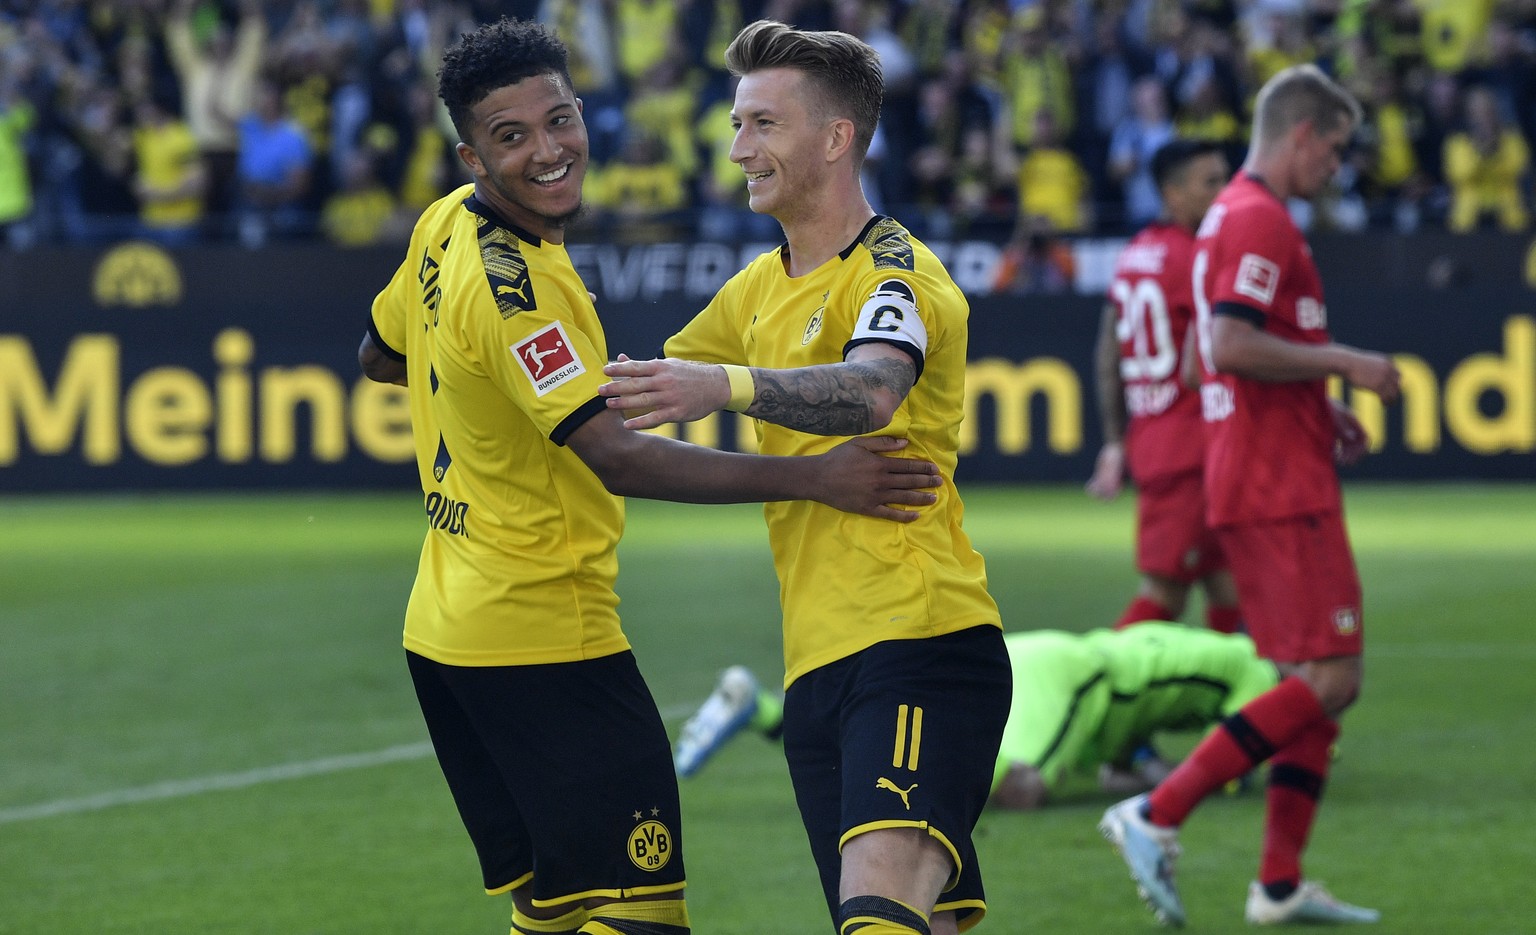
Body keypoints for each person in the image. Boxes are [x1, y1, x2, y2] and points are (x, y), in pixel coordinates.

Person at [357, 19, 944, 935]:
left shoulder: (442, 225)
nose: (550, 151)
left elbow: (381, 351)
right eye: (513, 139)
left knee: (554, 906)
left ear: (584, 112)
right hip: (545, 626)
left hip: (444, 628)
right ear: (474, 155)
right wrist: (811, 479)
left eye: (560, 120)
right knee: (640, 914)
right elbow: (619, 456)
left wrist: (485, 408)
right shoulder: (525, 291)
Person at [598, 20, 1012, 935]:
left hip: (920, 642)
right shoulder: (756, 289)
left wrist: (725, 384)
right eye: (737, 125)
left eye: (762, 125)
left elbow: (869, 391)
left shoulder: (896, 273)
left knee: (876, 919)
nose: (738, 148)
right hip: (817, 669)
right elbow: (621, 397)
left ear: (836, 138)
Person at [1097, 63, 1402, 928]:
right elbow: (1228, 345)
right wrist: (1344, 363)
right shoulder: (1261, 218)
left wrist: (1315, 407)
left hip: (1256, 466)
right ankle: (1156, 811)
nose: (1337, 167)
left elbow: (1205, 358)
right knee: (1334, 675)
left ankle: (1277, 884)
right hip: (1276, 483)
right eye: (1335, 149)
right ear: (1302, 133)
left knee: (1309, 675)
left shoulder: (1226, 215)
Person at [673, 623, 1280, 812]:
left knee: (917, 726)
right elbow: (1228, 766)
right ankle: (900, 797)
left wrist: (1144, 767)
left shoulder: (1222, 654)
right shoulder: (1260, 676)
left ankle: (762, 710)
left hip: (1049, 655)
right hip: (1073, 677)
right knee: (1023, 786)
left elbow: (1127, 762)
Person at [1085, 138, 1242, 634]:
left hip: (1160, 440)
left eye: (1226, 179)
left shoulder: (1135, 254)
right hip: (1190, 447)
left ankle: (1232, 699)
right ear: (1172, 193)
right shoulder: (1194, 258)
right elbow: (1207, 359)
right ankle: (1096, 683)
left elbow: (1107, 353)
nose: (1224, 193)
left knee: (1227, 581)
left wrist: (1115, 440)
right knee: (1164, 594)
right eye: (1210, 182)